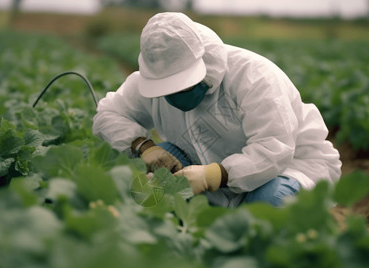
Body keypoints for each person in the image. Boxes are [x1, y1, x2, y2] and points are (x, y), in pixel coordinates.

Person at [93, 12, 342, 207]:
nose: (175, 95)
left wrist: (215, 175)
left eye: (182, 85)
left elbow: (274, 148)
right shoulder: (149, 80)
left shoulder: (254, 76)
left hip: (288, 168)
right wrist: (143, 146)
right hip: (203, 166)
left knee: (270, 203)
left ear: (203, 64)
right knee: (155, 178)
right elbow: (107, 115)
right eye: (167, 89)